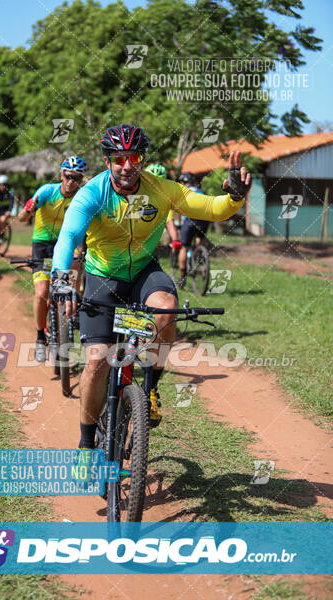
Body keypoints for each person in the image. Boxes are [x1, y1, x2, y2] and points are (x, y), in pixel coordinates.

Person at [51, 123, 251, 451]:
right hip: (103, 277)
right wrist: (61, 279)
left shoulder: (161, 189)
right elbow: (69, 237)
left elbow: (211, 209)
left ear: (143, 159)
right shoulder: (92, 193)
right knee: (97, 362)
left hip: (145, 271)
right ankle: (86, 443)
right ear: (107, 161)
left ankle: (151, 388)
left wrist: (234, 197)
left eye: (135, 157)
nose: (128, 165)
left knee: (166, 308)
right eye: (120, 158)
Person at [18, 156, 88, 362]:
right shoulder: (47, 191)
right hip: (42, 245)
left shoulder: (82, 197)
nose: (71, 182)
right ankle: (40, 336)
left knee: (75, 277)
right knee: (41, 292)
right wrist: (28, 209)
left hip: (67, 244)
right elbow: (21, 219)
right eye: (67, 176)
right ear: (61, 175)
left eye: (76, 178)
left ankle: (70, 316)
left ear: (80, 179)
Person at [177, 171, 209, 289]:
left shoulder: (183, 192)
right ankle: (200, 257)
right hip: (204, 220)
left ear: (182, 183)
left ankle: (182, 276)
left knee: (184, 248)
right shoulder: (201, 192)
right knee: (200, 239)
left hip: (190, 221)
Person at [144, 163, 182, 254]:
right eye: (151, 182)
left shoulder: (164, 200)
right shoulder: (136, 196)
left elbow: (169, 222)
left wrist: (175, 240)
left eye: (157, 182)